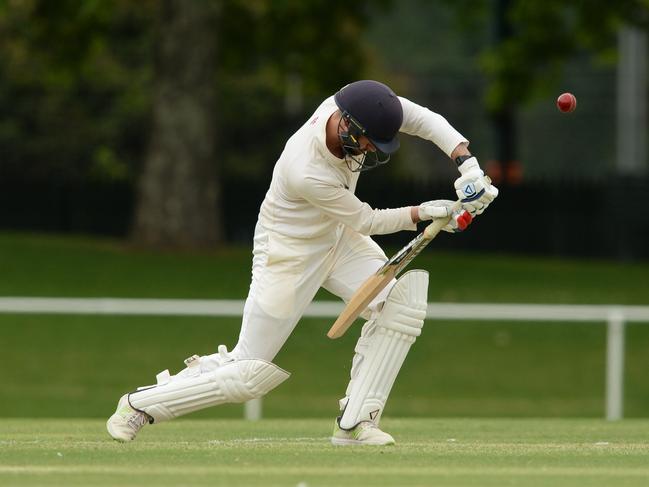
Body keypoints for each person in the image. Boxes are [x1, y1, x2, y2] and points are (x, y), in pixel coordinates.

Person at [107, 80, 498, 445]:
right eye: (368, 141)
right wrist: (428, 212)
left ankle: (356, 421)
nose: (372, 149)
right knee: (249, 372)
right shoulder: (306, 168)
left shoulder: (360, 104)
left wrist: (468, 167)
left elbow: (426, 120)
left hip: (339, 239)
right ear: (346, 126)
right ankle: (141, 404)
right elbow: (368, 220)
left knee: (400, 307)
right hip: (288, 253)